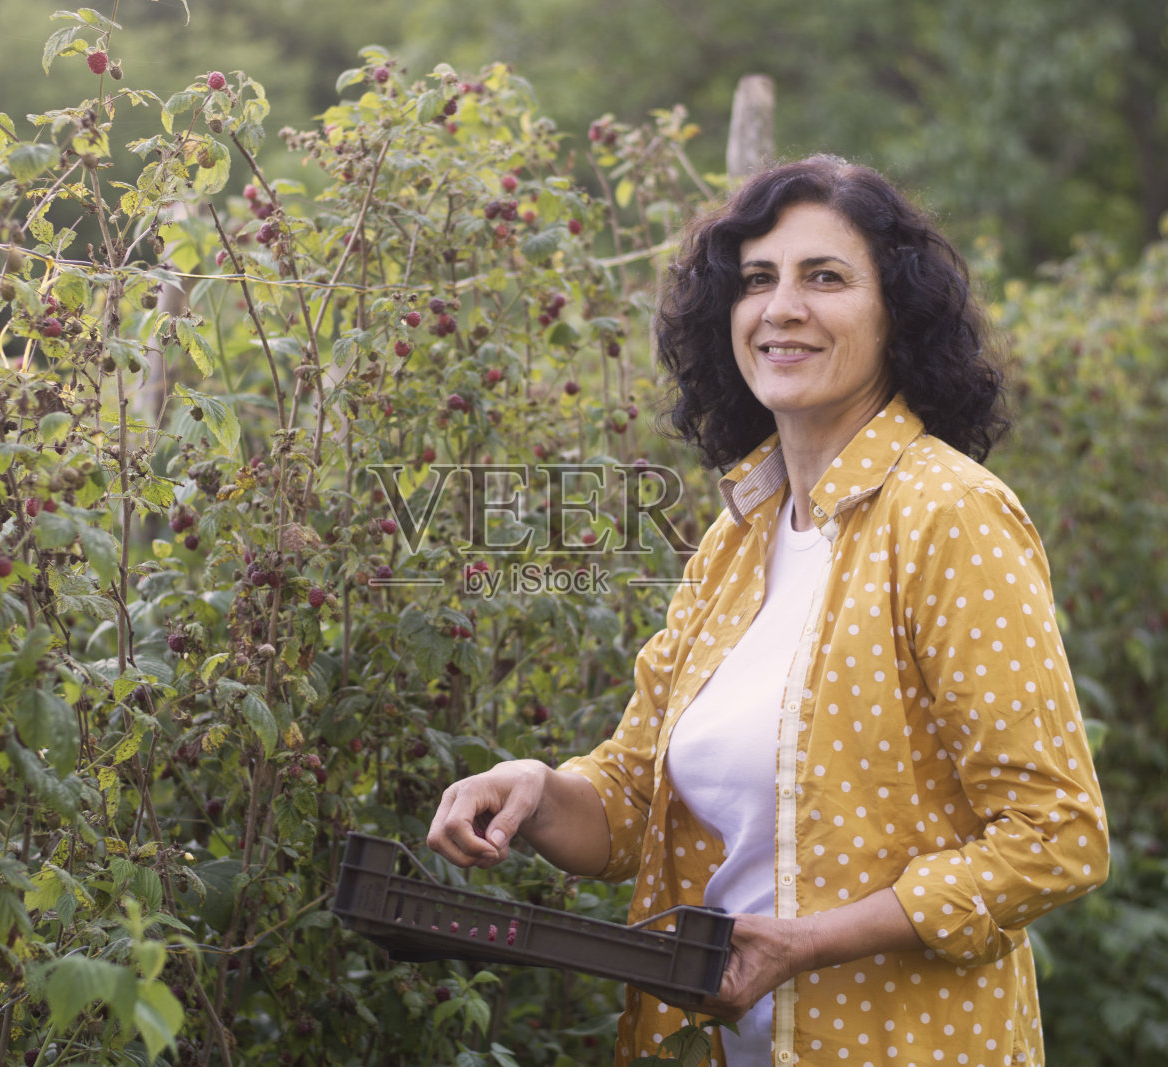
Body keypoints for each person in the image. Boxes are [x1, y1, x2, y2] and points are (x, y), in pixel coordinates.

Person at [428, 155, 1110, 1067]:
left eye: (823, 277)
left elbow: (1056, 834)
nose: (781, 307)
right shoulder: (737, 540)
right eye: (757, 281)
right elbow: (633, 804)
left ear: (895, 316)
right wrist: (535, 790)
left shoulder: (949, 515)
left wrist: (813, 941)